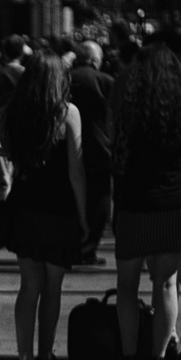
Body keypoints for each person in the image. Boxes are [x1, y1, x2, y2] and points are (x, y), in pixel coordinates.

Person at [0, 51, 88, 360]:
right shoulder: (68, 113)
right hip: (60, 210)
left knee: (29, 286)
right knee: (53, 288)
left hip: (26, 208)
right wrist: (85, 217)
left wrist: (6, 152)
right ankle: (46, 355)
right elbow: (76, 172)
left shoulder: (14, 111)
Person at [111, 40, 181, 360]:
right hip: (173, 202)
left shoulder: (130, 103)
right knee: (166, 284)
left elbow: (119, 159)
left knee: (126, 286)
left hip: (134, 202)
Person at [68, 40, 114, 266]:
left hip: (67, 146)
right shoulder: (106, 81)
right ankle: (88, 248)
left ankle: (72, 242)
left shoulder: (66, 78)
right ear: (97, 60)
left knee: (72, 197)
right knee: (99, 201)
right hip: (99, 149)